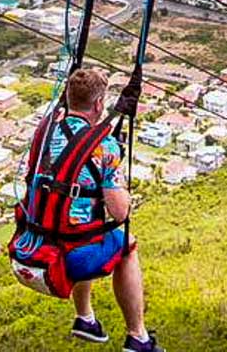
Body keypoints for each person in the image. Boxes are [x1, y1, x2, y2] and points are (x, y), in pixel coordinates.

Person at [53, 68, 163, 352]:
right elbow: (120, 213)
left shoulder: (46, 132)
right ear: (100, 104)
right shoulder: (106, 147)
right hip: (70, 253)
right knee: (127, 244)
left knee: (86, 226)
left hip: (38, 238)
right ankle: (138, 337)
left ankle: (85, 316)